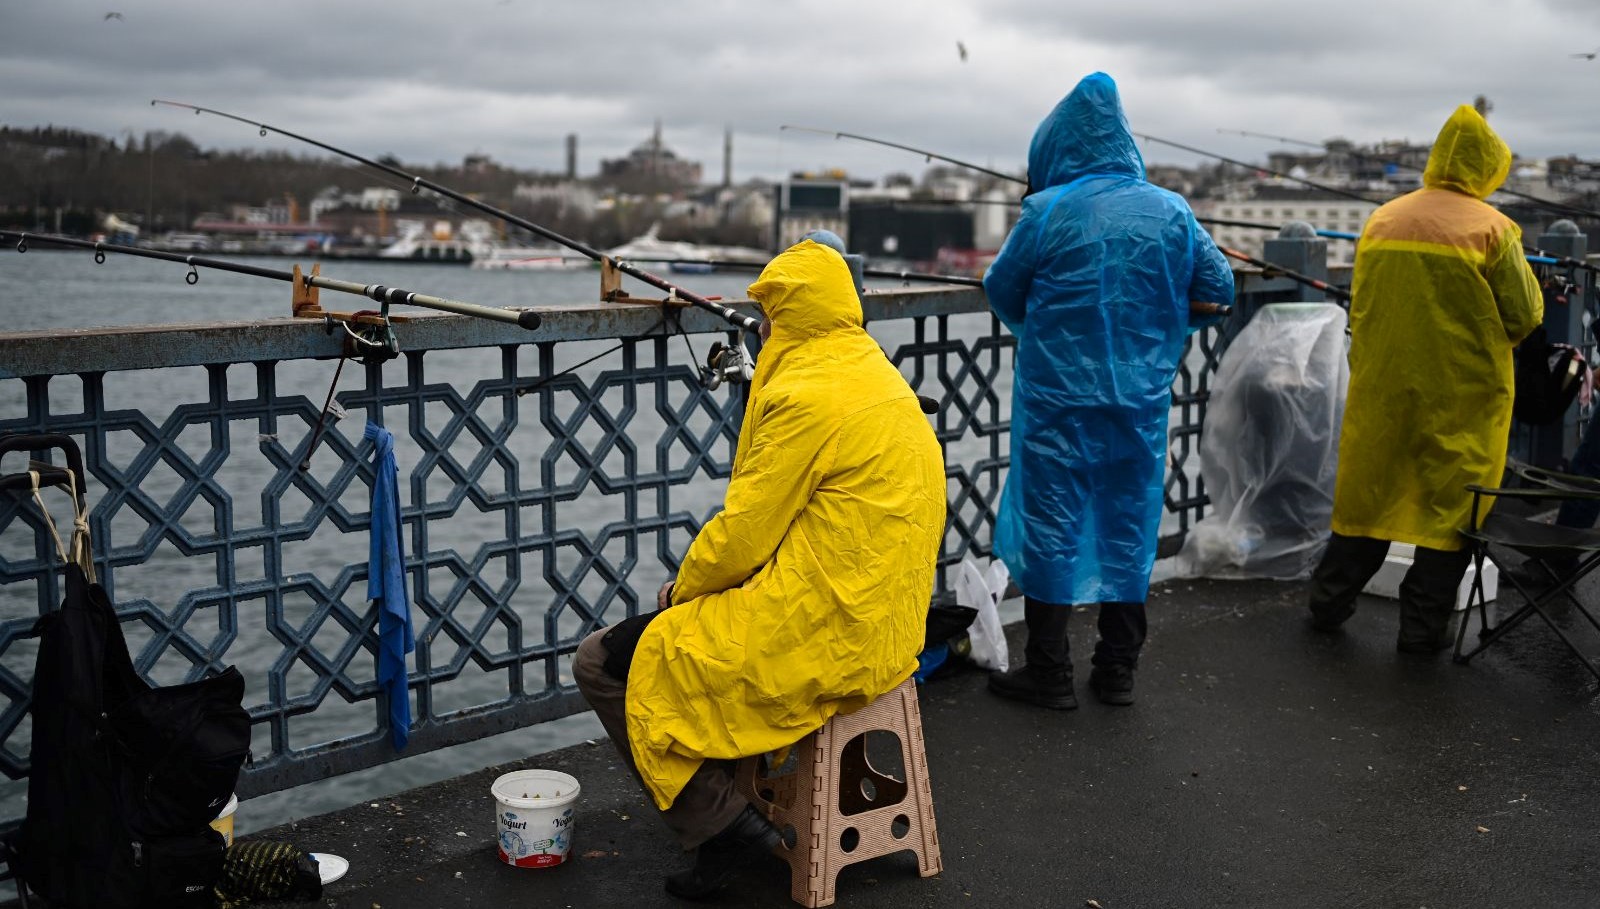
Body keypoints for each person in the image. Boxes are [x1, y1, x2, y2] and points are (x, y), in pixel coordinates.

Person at [572, 238, 946, 900]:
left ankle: (725, 830)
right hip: (891, 627)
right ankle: (733, 812)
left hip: (828, 634)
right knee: (692, 634)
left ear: (789, 318)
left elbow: (743, 534)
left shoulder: (806, 394)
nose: (764, 330)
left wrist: (682, 591)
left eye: (770, 315)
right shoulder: (880, 376)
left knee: (604, 660)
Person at [981, 72, 1235, 710]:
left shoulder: (1046, 210)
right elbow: (1219, 288)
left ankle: (1049, 673)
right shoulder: (1172, 210)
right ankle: (1117, 671)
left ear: (1056, 146)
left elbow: (1002, 288)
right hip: (1139, 404)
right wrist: (1162, 321)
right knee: (1129, 526)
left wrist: (1046, 329)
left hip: (1058, 403)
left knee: (1051, 526)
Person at [1307, 104, 1542, 652]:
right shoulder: (1494, 229)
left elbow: (1363, 300)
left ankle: (1327, 604)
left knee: (1369, 502)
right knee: (1450, 513)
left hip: (1383, 389)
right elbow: (1526, 314)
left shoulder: (1383, 219)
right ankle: (1420, 633)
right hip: (1463, 395)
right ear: (1490, 167)